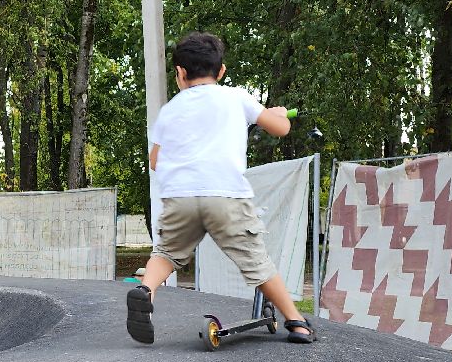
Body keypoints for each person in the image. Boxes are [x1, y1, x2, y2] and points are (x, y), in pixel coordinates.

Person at [127, 31, 314, 344]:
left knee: (166, 254)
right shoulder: (236, 97)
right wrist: (278, 114)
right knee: (256, 261)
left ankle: (146, 291)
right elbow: (281, 128)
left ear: (180, 73)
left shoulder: (170, 110)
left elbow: (156, 160)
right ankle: (296, 322)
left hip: (180, 198)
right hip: (225, 196)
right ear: (221, 71)